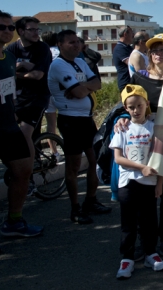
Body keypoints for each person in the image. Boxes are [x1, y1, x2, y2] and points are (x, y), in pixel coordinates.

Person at [114, 33, 163, 262]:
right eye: (154, 49)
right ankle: (147, 243)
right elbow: (128, 105)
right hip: (145, 149)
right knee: (146, 198)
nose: (157, 53)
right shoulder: (140, 79)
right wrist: (123, 117)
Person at [48, 30, 111, 223]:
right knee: (73, 166)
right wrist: (83, 87)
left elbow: (97, 84)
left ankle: (90, 200)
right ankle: (75, 208)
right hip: (70, 120)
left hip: (87, 119)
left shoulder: (81, 62)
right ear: (60, 44)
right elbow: (78, 92)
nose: (76, 45)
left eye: (77, 42)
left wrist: (84, 86)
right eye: (70, 43)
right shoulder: (58, 65)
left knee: (94, 160)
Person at [0, 10, 43, 255]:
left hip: (8, 125)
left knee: (23, 171)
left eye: (9, 27)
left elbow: (7, 92)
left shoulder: (6, 59)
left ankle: (14, 221)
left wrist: (13, 114)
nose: (7, 31)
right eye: (1, 27)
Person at [111, 84, 163, 279]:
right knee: (128, 222)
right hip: (128, 183)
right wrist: (140, 168)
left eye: (139, 105)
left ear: (147, 105)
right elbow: (118, 158)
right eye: (131, 106)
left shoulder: (154, 128)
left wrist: (159, 183)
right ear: (126, 108)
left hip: (149, 183)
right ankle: (127, 259)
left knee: (149, 220)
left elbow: (160, 157)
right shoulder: (122, 128)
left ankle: (151, 253)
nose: (135, 110)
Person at [6, 16, 52, 160]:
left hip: (37, 98)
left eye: (37, 29)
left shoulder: (42, 48)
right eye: (31, 29)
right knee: (9, 131)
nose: (36, 33)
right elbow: (6, 73)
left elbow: (38, 75)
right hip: (17, 97)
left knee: (25, 134)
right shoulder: (12, 48)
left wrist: (17, 71)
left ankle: (29, 172)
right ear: (21, 31)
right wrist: (26, 68)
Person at [112, 25, 134, 90]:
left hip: (132, 83)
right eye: (131, 32)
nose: (133, 35)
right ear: (125, 34)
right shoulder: (120, 48)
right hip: (126, 84)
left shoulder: (128, 47)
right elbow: (131, 63)